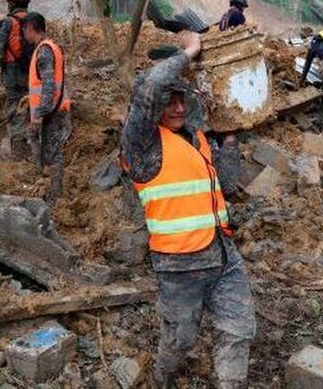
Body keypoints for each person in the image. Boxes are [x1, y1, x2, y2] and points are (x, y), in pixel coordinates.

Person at [121, 31, 255, 389]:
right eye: (169, 101)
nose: (178, 107)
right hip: (179, 267)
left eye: (181, 99)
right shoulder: (141, 143)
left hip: (223, 256)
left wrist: (229, 140)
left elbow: (224, 188)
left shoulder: (194, 137)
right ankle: (162, 378)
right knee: (180, 340)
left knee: (239, 330)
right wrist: (190, 52)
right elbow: (151, 84)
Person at [23, 12, 71, 201]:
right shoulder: (50, 47)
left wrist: (39, 114)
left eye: (24, 30)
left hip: (50, 111)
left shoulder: (44, 51)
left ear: (30, 28)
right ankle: (49, 186)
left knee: (54, 153)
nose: (24, 35)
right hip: (53, 109)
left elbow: (49, 85)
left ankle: (56, 195)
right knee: (48, 150)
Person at [0, 0, 34, 158]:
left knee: (15, 110)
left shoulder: (7, 23)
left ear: (11, 3)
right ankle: (33, 147)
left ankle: (19, 152)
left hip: (13, 73)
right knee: (30, 107)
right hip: (32, 73)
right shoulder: (35, 21)